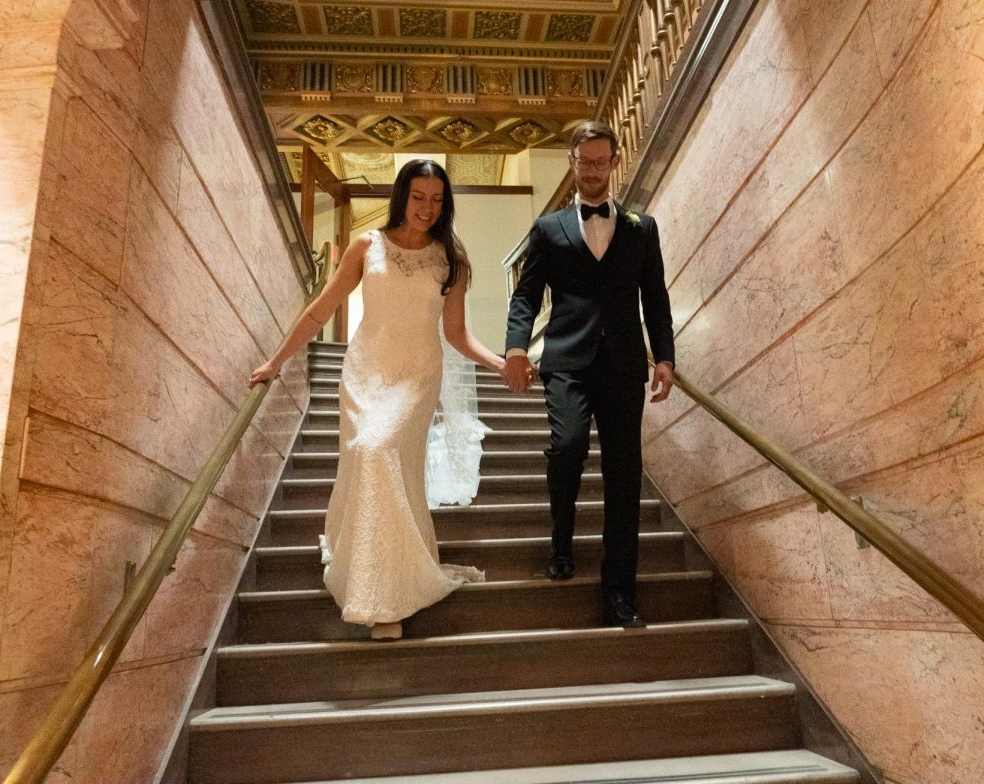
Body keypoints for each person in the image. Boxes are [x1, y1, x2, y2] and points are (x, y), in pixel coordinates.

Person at [250, 159, 507, 641]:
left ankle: (385, 598)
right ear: (402, 196)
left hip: (416, 376)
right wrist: (276, 361)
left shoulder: (451, 260)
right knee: (369, 457)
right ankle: (374, 575)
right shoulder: (367, 245)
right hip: (366, 372)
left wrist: (498, 364)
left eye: (435, 199)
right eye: (417, 197)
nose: (426, 208)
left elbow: (456, 333)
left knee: (379, 452)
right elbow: (321, 308)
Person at [503, 120, 675, 629]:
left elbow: (656, 298)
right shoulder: (548, 228)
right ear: (572, 163)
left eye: (602, 162)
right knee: (570, 445)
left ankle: (619, 591)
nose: (594, 171)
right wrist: (516, 347)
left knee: (624, 475)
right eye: (585, 162)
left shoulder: (643, 228)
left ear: (614, 162)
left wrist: (663, 356)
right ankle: (561, 539)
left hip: (624, 364)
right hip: (566, 362)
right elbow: (526, 296)